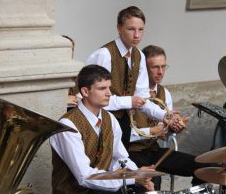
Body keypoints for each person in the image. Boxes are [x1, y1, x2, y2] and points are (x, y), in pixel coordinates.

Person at [50, 64, 155, 194]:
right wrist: (132, 178)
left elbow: (119, 158)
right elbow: (85, 176)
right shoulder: (68, 125)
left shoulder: (110, 119)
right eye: (102, 88)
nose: (109, 93)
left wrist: (137, 173)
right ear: (85, 91)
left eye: (109, 87)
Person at [86, 6, 181, 149]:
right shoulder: (104, 54)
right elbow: (94, 99)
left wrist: (165, 116)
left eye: (141, 29)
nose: (137, 35)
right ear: (119, 28)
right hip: (97, 122)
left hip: (122, 122)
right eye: (131, 29)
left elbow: (143, 99)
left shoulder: (139, 56)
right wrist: (130, 101)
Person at [128, 45, 208, 190]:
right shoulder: (131, 95)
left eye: (163, 67)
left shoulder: (165, 94)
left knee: (204, 168)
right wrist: (154, 130)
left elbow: (164, 134)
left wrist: (173, 128)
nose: (160, 72)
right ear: (144, 69)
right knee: (152, 181)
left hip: (153, 150)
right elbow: (123, 135)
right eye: (155, 67)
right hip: (131, 153)